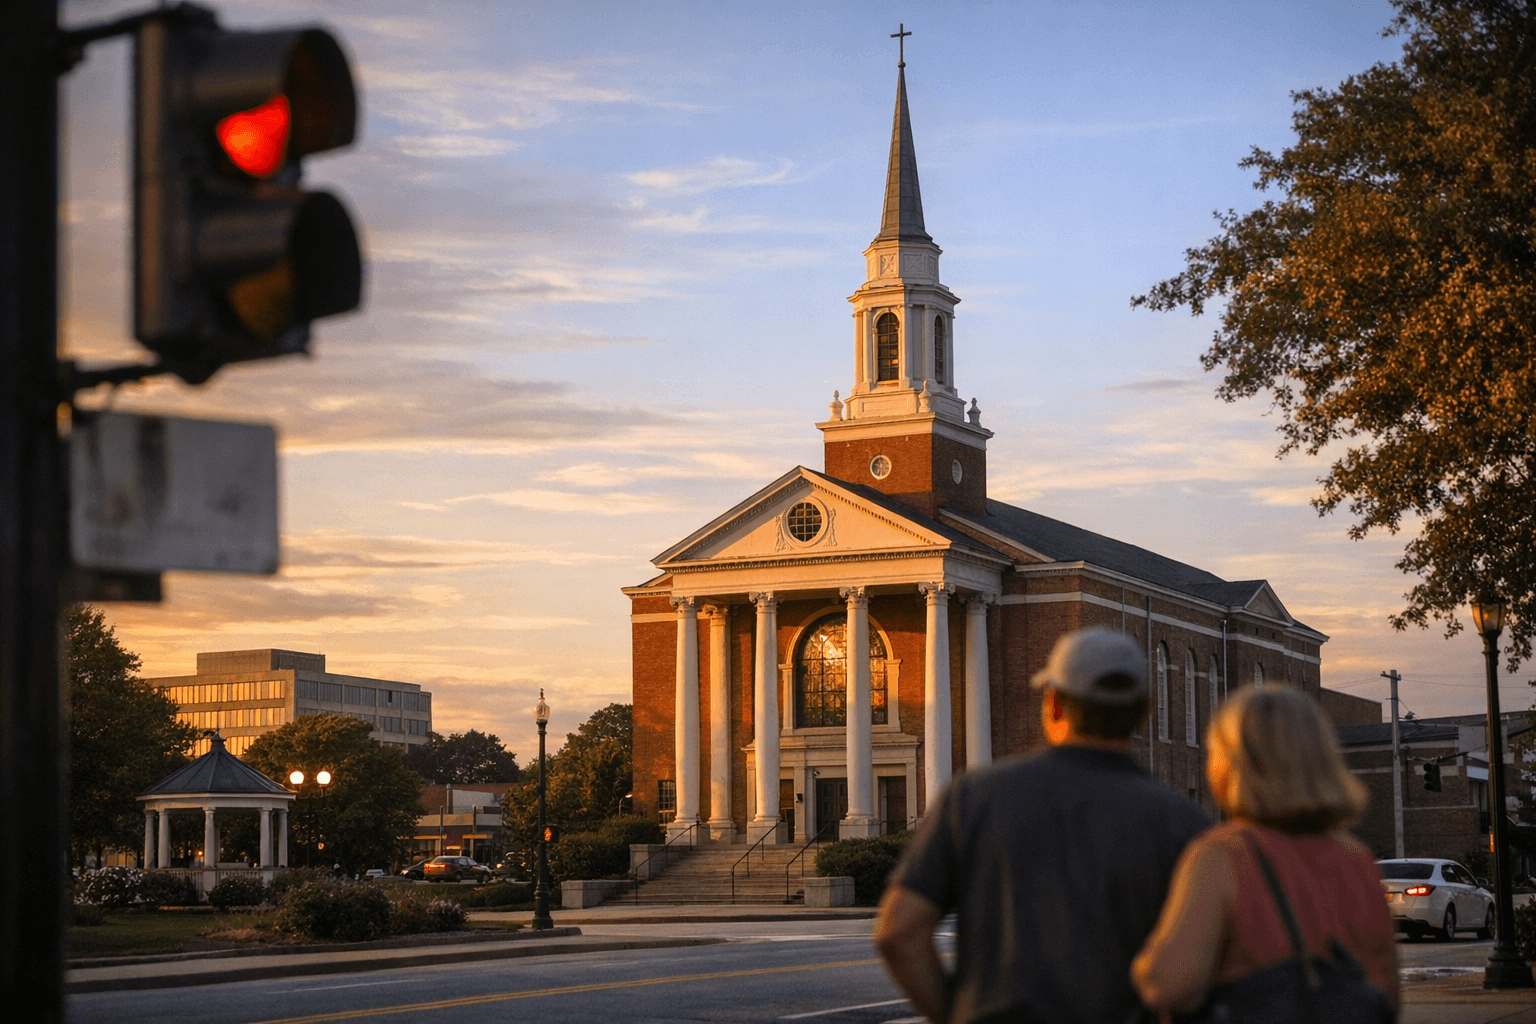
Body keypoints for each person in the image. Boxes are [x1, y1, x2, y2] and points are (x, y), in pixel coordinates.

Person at [874, 627, 1209, 1024]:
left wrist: (953, 1015)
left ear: (1052, 704)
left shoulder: (974, 798)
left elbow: (898, 931)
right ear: (1144, 711)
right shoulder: (1184, 823)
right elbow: (1193, 976)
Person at [1132, 686, 1398, 1015]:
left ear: (1235, 764)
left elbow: (1169, 986)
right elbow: (1387, 994)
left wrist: (1143, 963)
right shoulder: (1359, 861)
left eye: (1214, 753)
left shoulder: (1220, 856)